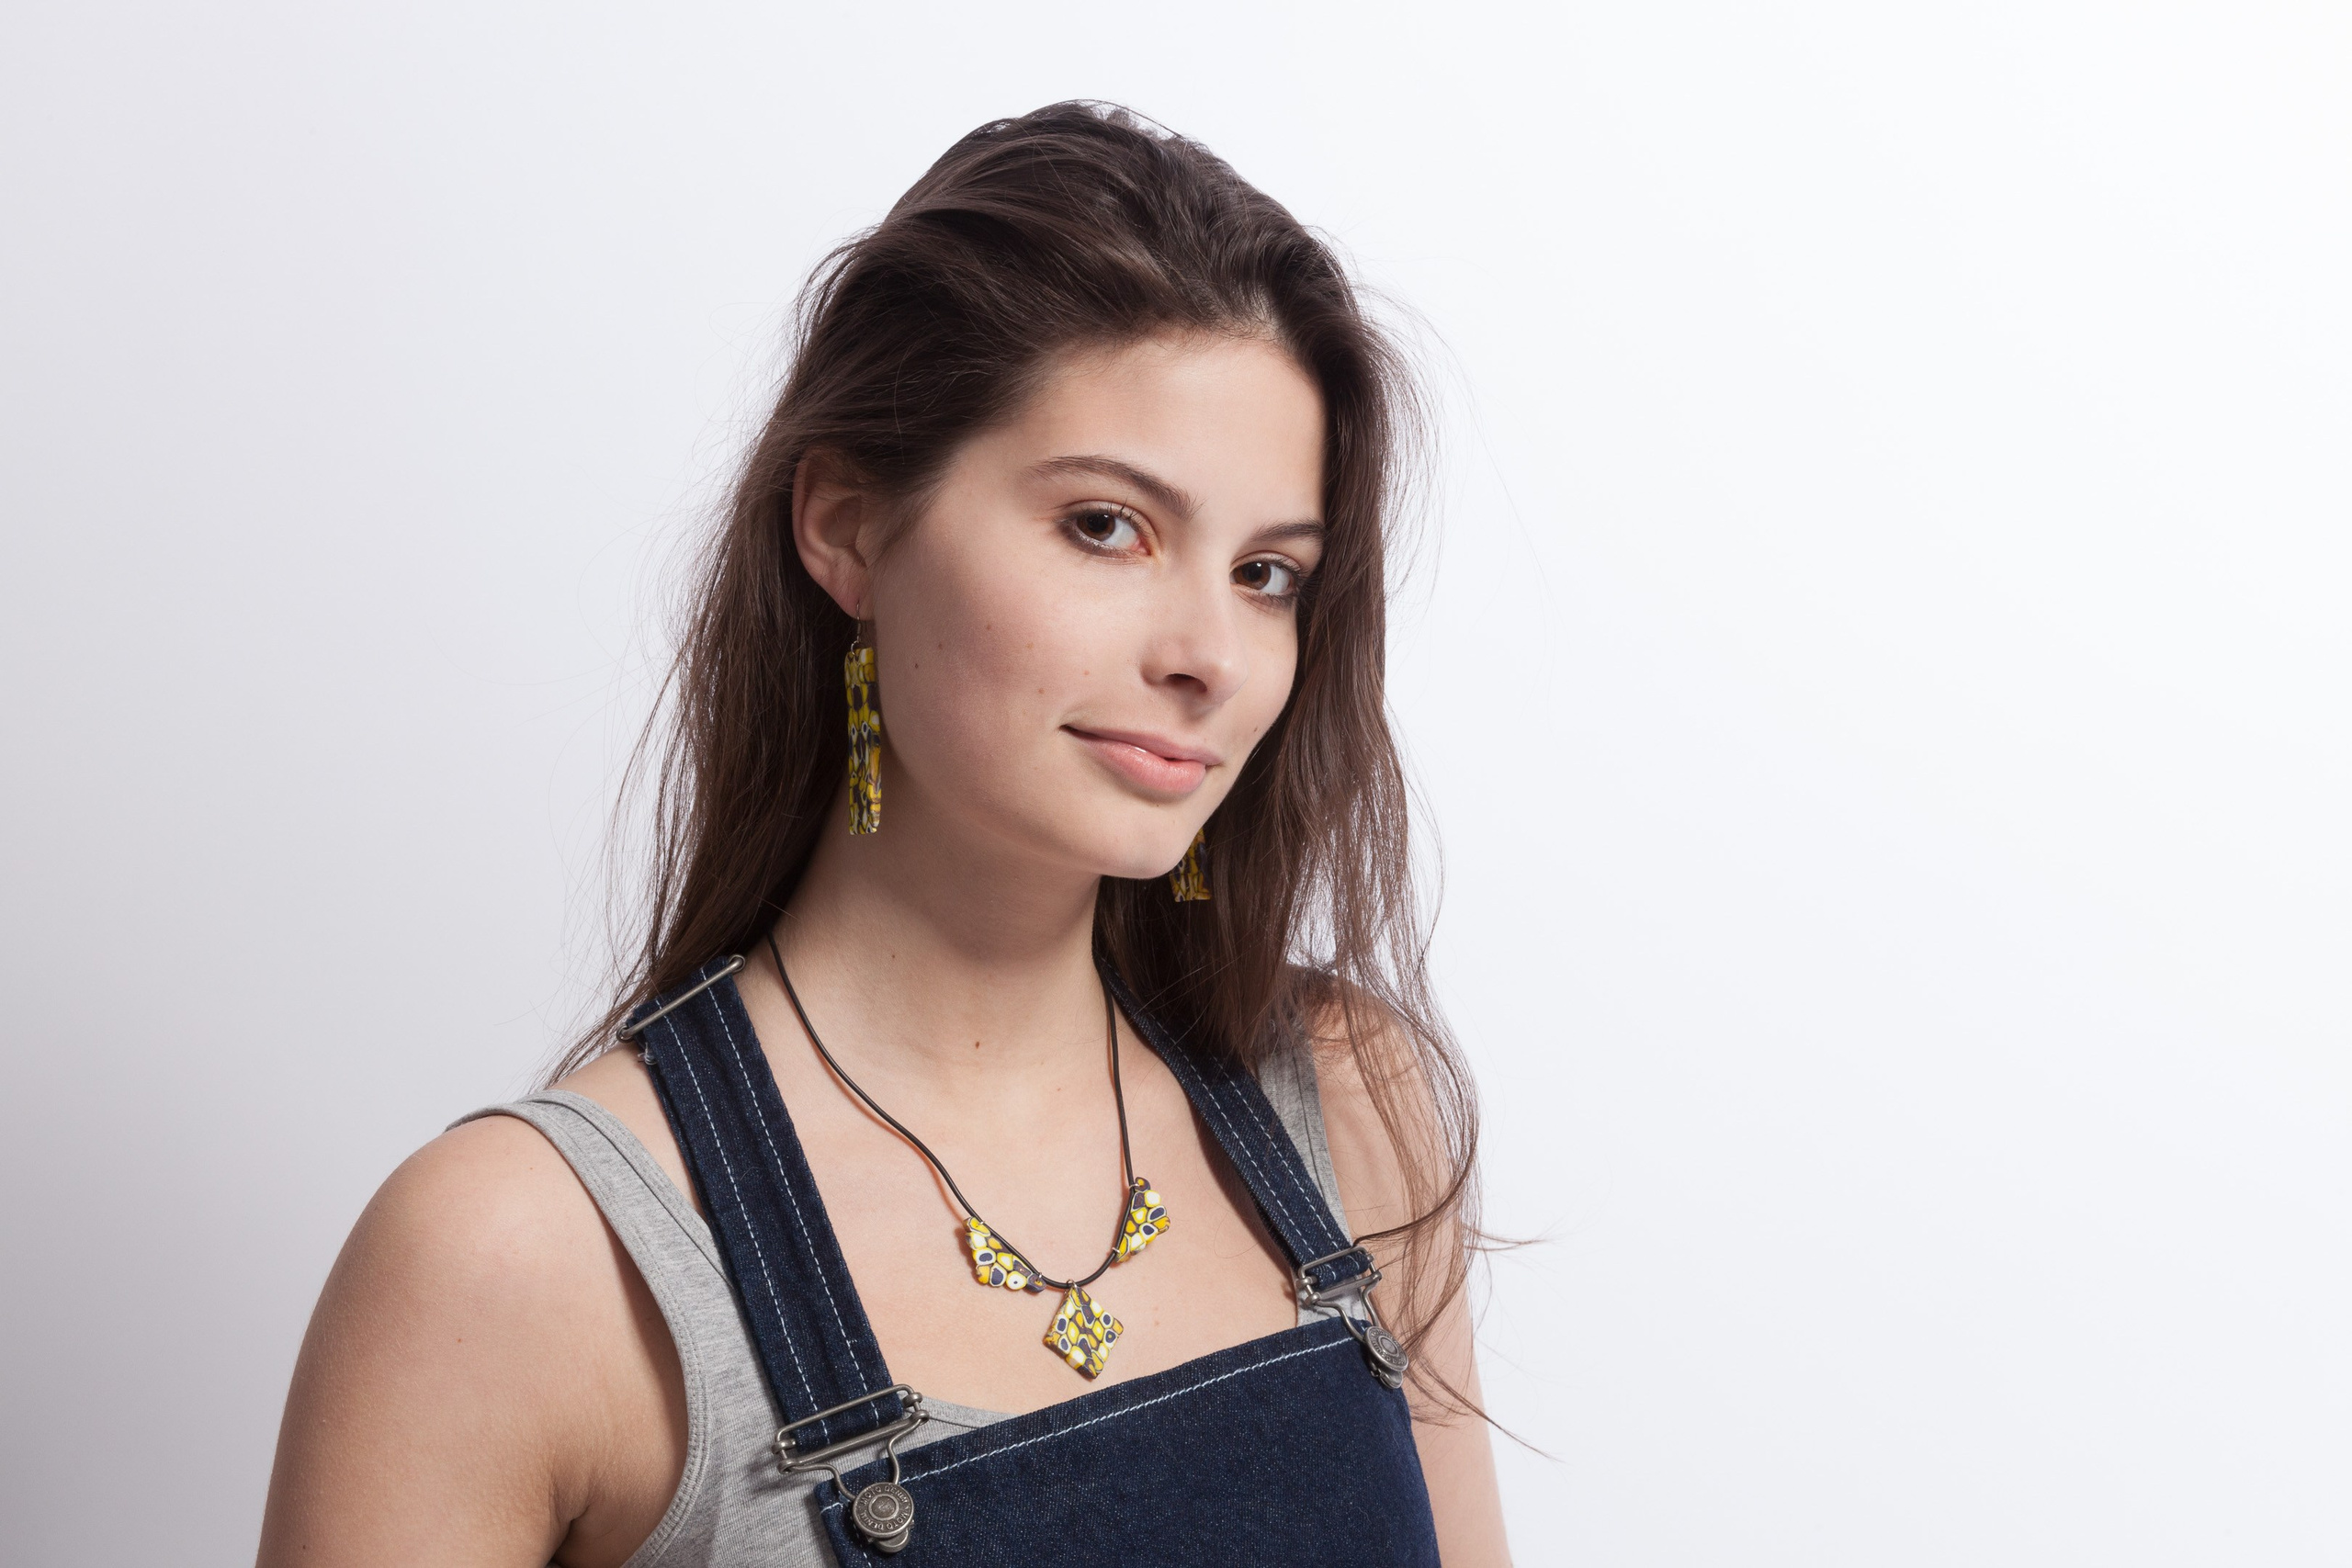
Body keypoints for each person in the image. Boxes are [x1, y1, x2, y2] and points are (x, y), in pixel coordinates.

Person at [257, 101, 1510, 1567]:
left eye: (1266, 573)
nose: (1209, 657)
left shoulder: (1348, 1104)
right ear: (848, 528)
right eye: (1106, 526)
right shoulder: (519, 1259)